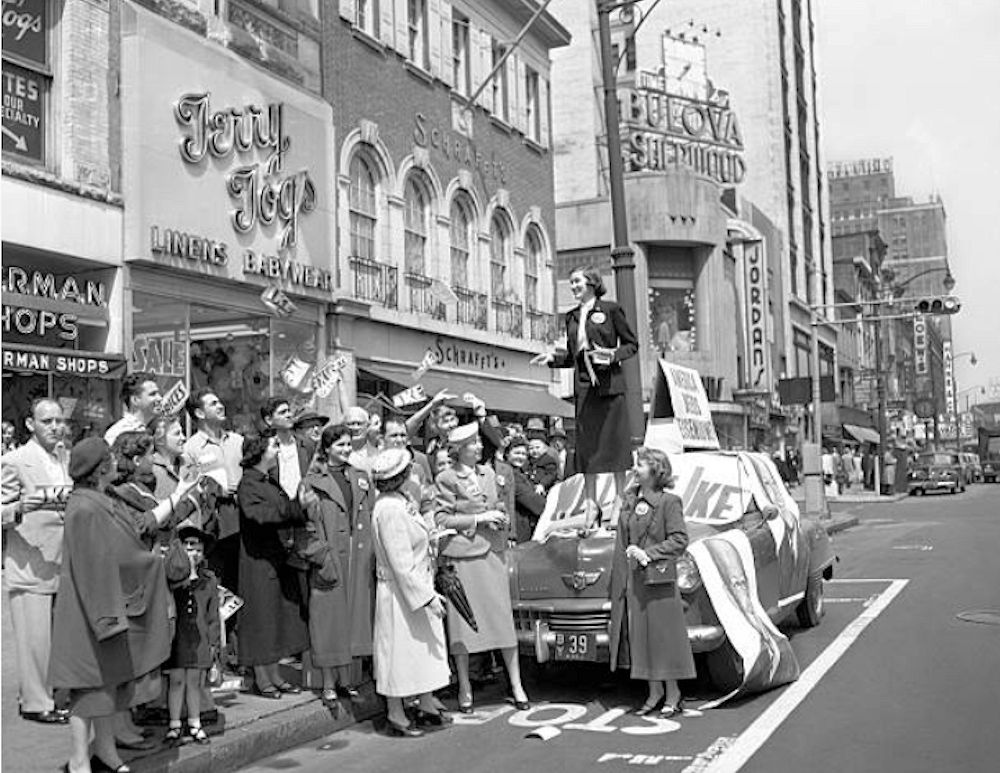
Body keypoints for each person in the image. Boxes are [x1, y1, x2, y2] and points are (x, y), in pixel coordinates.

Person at [49, 438, 180, 773]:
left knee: (108, 686)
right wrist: (107, 617)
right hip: (93, 612)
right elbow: (94, 567)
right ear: (99, 469)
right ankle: (79, 760)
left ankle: (105, 751)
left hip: (105, 608)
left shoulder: (98, 501)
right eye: (108, 459)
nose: (113, 462)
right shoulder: (87, 508)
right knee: (88, 689)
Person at [434, 423, 529, 713]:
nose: (478, 447)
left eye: (477, 442)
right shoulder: (446, 478)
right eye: (473, 443)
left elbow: (500, 504)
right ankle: (464, 686)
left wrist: (500, 518)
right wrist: (478, 519)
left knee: (502, 622)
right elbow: (441, 518)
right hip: (463, 557)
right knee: (463, 627)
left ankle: (516, 685)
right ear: (459, 450)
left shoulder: (490, 473)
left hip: (492, 553)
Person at [531, 266, 638, 522]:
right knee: (587, 448)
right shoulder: (571, 317)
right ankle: (591, 504)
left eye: (577, 281)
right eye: (571, 282)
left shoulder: (610, 310)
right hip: (584, 388)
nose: (573, 286)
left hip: (609, 386)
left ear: (591, 282)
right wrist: (552, 359)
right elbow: (572, 355)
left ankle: (619, 501)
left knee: (615, 444)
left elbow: (631, 344)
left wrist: (612, 355)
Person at [608, 447, 695, 717]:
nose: (636, 469)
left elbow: (680, 539)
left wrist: (649, 554)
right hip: (636, 578)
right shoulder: (631, 500)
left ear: (656, 470)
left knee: (663, 637)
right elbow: (620, 530)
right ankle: (654, 690)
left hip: (658, 578)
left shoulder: (670, 502)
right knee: (642, 636)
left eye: (641, 465)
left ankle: (673, 692)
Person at [370, 448, 451, 737]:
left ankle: (426, 703)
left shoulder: (399, 501)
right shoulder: (389, 509)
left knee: (422, 650)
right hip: (400, 592)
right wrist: (427, 598)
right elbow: (400, 562)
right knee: (399, 654)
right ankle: (395, 713)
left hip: (414, 585)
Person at [1, 398, 70, 725]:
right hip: (30, 561)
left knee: (52, 638)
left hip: (61, 558)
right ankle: (35, 702)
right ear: (31, 424)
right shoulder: (14, 460)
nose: (55, 427)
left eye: (59, 420)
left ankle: (47, 694)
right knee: (34, 638)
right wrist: (21, 508)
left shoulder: (63, 458)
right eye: (47, 421)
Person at [236, 433, 314, 697]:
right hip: (258, 560)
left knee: (276, 618)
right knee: (261, 619)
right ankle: (262, 677)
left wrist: (298, 507)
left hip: (276, 556)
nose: (277, 449)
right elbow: (257, 515)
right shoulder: (248, 483)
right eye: (273, 445)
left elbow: (281, 508)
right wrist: (294, 510)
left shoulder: (266, 480)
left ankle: (274, 674)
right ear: (259, 452)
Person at [302, 423, 375, 706]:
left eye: (348, 444)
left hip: (356, 559)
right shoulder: (312, 481)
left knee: (352, 622)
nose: (345, 449)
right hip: (329, 559)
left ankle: (347, 680)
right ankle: (329, 683)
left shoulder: (359, 476)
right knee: (328, 622)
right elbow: (307, 525)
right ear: (327, 448)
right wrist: (320, 555)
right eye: (339, 445)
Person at [164, 523, 220, 747]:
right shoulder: (173, 577)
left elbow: (213, 615)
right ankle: (174, 724)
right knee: (176, 681)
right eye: (188, 547)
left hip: (199, 639)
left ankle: (195, 723)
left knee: (195, 682)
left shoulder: (208, 580)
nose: (193, 552)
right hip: (177, 637)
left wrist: (214, 644)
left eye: (197, 548)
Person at [184, 389, 244, 593]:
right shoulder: (191, 448)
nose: (220, 406)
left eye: (220, 401)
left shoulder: (238, 442)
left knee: (241, 579)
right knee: (217, 579)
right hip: (214, 525)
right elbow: (188, 488)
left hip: (242, 518)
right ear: (199, 413)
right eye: (213, 403)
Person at [505, 435, 547, 543]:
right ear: (507, 454)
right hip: (519, 530)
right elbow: (531, 500)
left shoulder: (520, 472)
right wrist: (551, 507)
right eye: (517, 453)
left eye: (523, 454)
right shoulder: (511, 475)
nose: (521, 457)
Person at [104, 374, 163, 446]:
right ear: (135, 400)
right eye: (152, 394)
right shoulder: (117, 433)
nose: (160, 398)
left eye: (158, 393)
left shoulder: (161, 428)